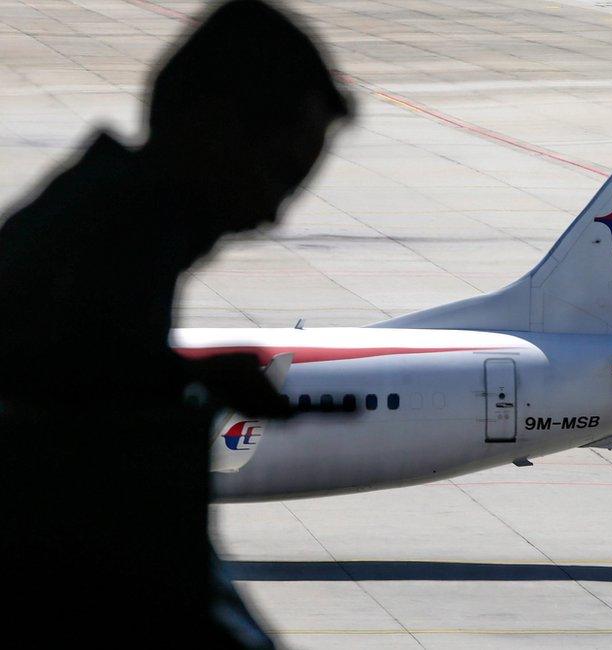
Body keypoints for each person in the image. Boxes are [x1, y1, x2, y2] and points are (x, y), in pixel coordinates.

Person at [0, 0, 351, 644]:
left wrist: (176, 375)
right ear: (214, 130)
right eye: (280, 172)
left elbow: (63, 369)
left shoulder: (96, 221)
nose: (276, 215)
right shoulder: (118, 247)